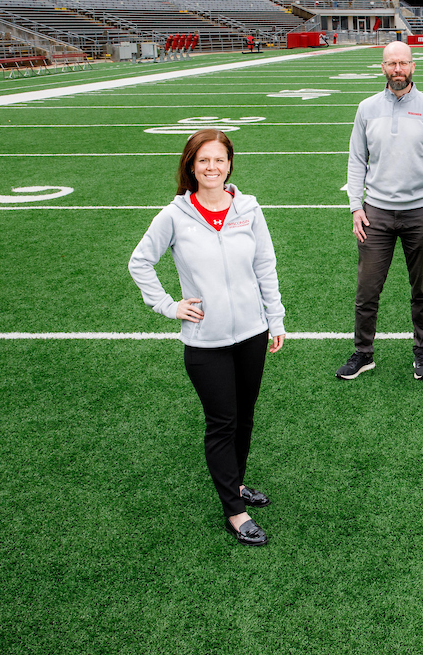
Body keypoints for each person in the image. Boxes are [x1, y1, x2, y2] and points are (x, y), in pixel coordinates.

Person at [129, 129, 286, 547]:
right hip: (205, 342)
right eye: (204, 161)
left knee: (246, 417)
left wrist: (276, 318)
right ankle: (235, 512)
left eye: (219, 160)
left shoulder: (248, 208)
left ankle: (234, 486)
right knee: (223, 422)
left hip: (251, 333)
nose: (212, 167)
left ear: (229, 164)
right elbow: (140, 261)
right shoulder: (175, 215)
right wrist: (168, 305)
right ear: (191, 167)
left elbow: (265, 264)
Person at [338, 41, 423, 380]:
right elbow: (357, 160)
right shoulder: (367, 108)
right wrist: (355, 207)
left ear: (413, 66)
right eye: (392, 63)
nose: (397, 69)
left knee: (422, 289)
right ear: (383, 67)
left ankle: (421, 351)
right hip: (376, 214)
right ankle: (363, 352)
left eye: (403, 63)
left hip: (420, 213)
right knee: (367, 288)